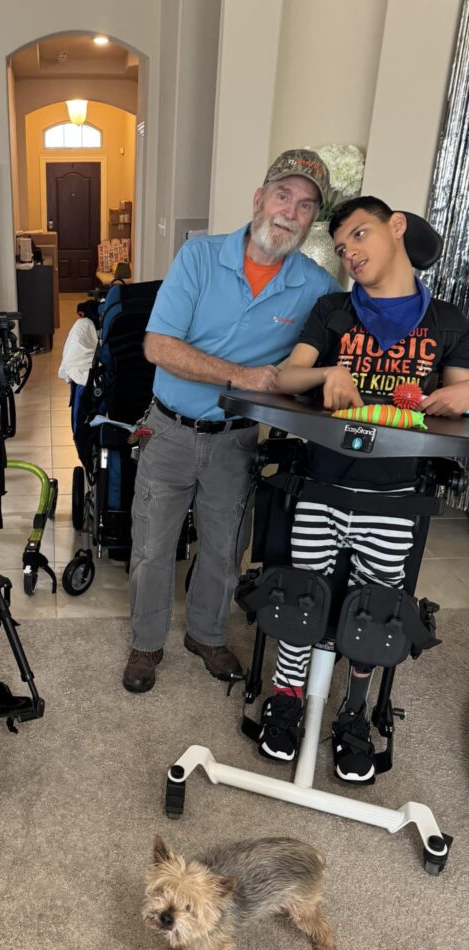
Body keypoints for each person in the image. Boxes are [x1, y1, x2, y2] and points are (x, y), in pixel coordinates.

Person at [256, 195, 469, 783]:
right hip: (323, 484)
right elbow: (287, 376)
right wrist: (328, 371)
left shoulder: (445, 321)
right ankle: (288, 700)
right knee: (302, 600)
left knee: (374, 613)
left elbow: (463, 392)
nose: (352, 253)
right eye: (344, 246)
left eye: (361, 235)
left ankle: (353, 716)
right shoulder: (333, 312)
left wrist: (463, 394)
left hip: (394, 496)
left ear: (395, 227)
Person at [123, 149, 342, 694]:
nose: (291, 212)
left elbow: (340, 345)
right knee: (152, 547)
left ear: (312, 221)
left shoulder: (314, 286)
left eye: (306, 205)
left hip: (237, 440)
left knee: (224, 548)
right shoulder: (199, 258)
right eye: (283, 196)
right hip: (169, 429)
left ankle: (206, 634)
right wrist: (243, 376)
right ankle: (146, 644)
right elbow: (157, 346)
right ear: (259, 199)